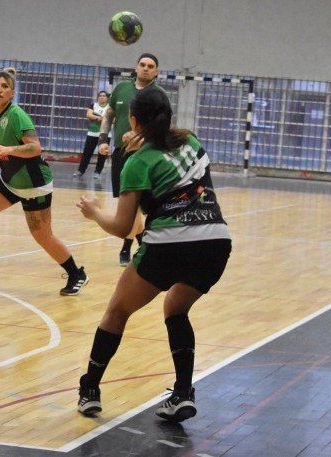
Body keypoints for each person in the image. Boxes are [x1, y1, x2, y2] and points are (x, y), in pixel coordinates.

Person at [76, 87, 232, 422]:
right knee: (175, 307)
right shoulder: (191, 142)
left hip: (170, 244)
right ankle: (182, 393)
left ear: (132, 120)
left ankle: (89, 389)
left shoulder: (137, 162)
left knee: (116, 311)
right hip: (216, 242)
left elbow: (122, 226)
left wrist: (93, 212)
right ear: (168, 115)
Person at [0, 68, 89, 296]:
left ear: (12, 92)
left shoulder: (16, 115)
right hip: (10, 181)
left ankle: (76, 273)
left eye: (5, 86)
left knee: (42, 236)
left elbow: (36, 148)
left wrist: (10, 149)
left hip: (34, 184)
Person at [97, 53, 167, 266]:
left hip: (147, 154)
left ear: (156, 71)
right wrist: (102, 139)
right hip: (121, 152)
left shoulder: (159, 95)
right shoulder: (121, 89)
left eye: (151, 66)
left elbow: (164, 126)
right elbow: (109, 114)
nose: (146, 68)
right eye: (142, 64)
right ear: (136, 67)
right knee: (128, 204)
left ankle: (130, 247)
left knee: (142, 204)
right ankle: (139, 245)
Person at [73, 91, 111, 180]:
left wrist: (104, 119)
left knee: (103, 154)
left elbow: (113, 119)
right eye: (100, 96)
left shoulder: (110, 107)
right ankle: (80, 171)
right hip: (92, 133)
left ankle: (97, 172)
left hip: (105, 134)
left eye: (104, 96)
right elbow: (89, 114)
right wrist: (98, 117)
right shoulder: (93, 105)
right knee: (87, 153)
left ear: (107, 98)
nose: (102, 97)